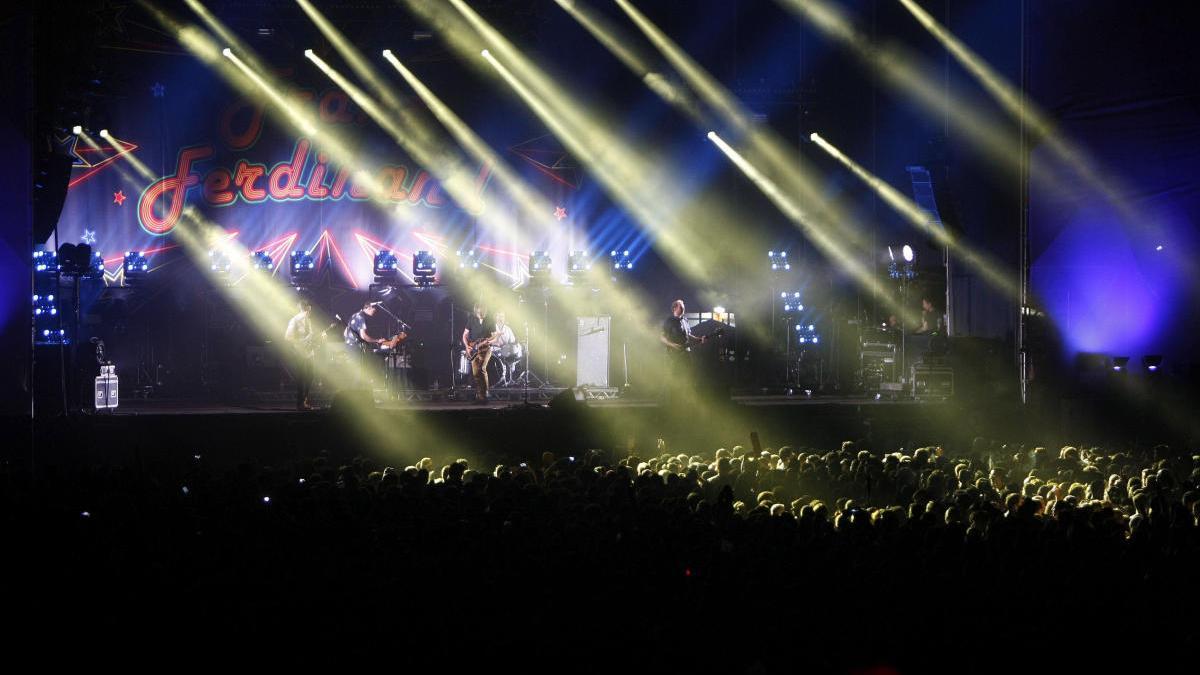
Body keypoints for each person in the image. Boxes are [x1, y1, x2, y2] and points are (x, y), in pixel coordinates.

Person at [462, 303, 499, 402]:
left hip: (485, 349)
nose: (479, 314)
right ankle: (480, 396)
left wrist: (487, 341)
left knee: (481, 368)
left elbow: (495, 338)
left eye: (481, 312)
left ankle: (486, 392)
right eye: (478, 312)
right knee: (475, 373)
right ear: (475, 311)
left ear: (484, 311)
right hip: (473, 349)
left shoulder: (490, 321)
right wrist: (467, 346)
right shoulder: (472, 319)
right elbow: (465, 335)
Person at [285, 297, 316, 410]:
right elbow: (288, 337)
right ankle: (300, 403)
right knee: (302, 377)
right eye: (310, 309)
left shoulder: (309, 321)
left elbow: (311, 336)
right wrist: (301, 343)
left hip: (309, 352)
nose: (311, 311)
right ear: (307, 308)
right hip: (299, 352)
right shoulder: (295, 320)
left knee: (311, 376)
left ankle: (305, 400)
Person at [492, 312, 521, 385]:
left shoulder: (508, 329)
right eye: (499, 316)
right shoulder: (491, 327)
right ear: (495, 317)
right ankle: (501, 378)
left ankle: (509, 379)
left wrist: (513, 344)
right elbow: (489, 341)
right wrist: (498, 344)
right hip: (495, 350)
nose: (501, 318)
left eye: (502, 316)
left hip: (506, 351)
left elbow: (512, 342)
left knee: (515, 349)